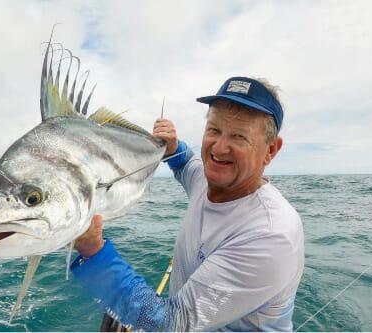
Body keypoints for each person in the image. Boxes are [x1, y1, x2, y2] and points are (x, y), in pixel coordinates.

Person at [71, 76, 305, 331]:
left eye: (239, 137)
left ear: (271, 150)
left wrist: (94, 252)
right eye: (214, 130)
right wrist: (173, 148)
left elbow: (174, 325)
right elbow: (186, 164)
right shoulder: (209, 179)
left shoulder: (270, 236)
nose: (219, 147)